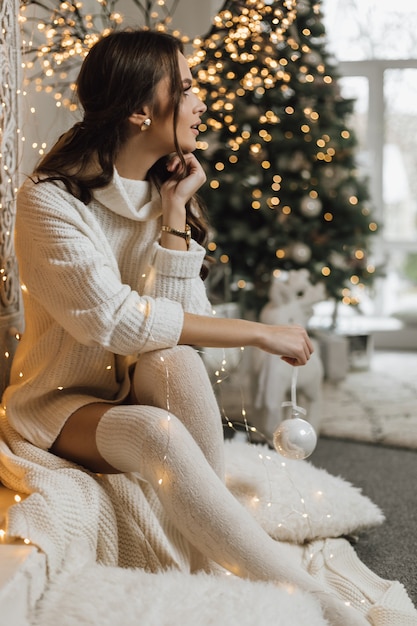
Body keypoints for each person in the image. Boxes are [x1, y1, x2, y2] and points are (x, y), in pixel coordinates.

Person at [3, 29, 368, 625]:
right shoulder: (51, 202)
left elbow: (173, 333)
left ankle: (209, 565)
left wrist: (174, 217)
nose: (201, 103)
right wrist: (257, 331)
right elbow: (118, 323)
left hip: (141, 379)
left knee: (173, 362)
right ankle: (310, 595)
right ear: (140, 110)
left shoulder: (164, 193)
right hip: (59, 406)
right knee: (158, 435)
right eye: (188, 87)